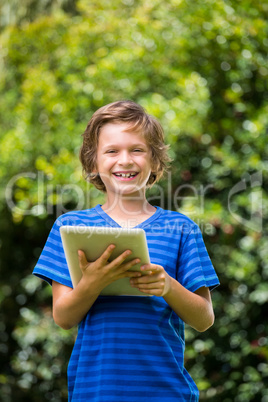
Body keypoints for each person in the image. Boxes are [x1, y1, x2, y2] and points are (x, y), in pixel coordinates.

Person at [33, 100, 220, 401]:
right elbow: (64, 318)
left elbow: (204, 318)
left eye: (137, 150)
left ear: (155, 161)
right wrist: (92, 283)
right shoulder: (70, 227)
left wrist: (167, 286)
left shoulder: (181, 229)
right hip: (96, 391)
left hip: (166, 392)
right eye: (112, 151)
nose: (125, 160)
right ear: (93, 162)